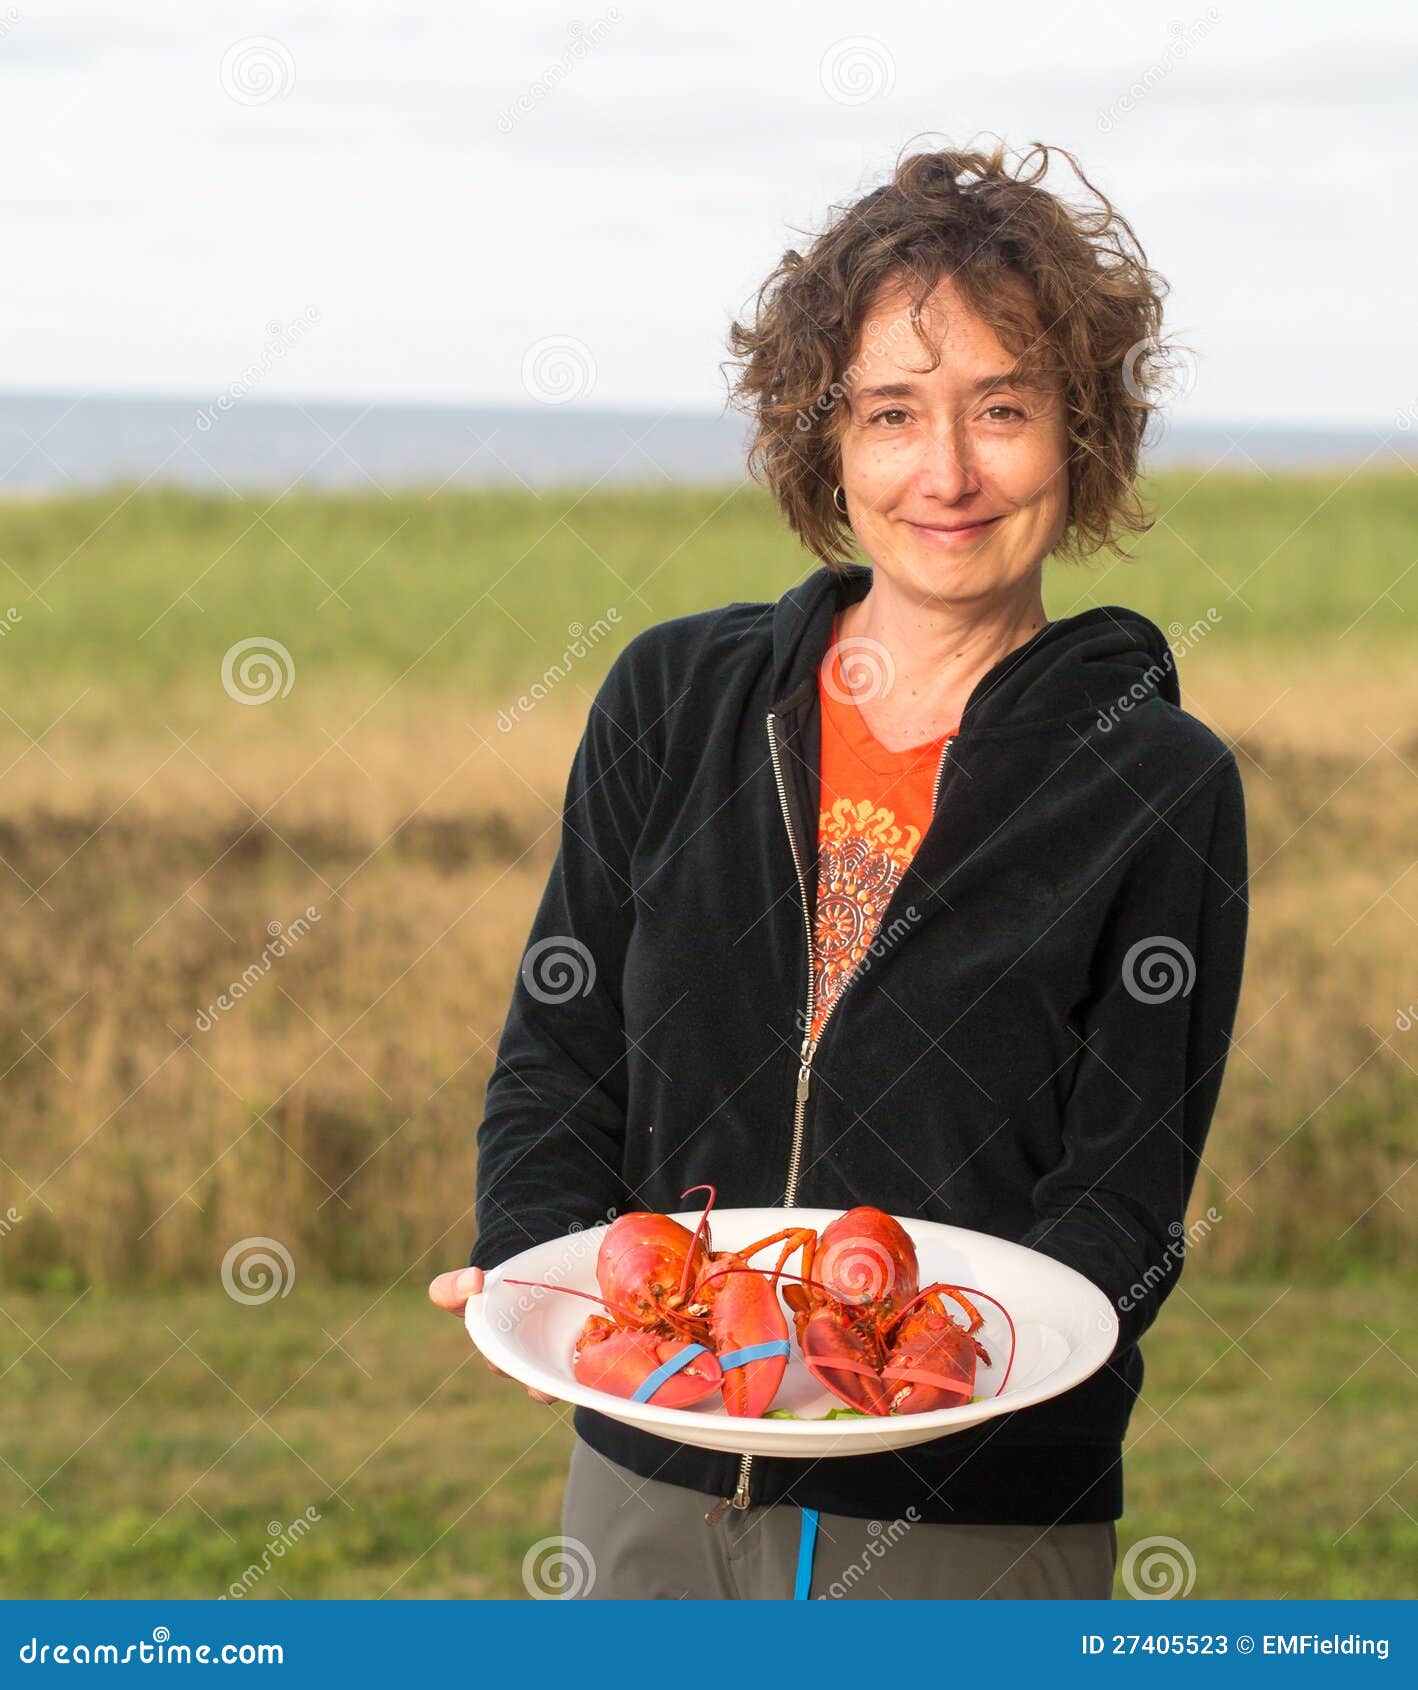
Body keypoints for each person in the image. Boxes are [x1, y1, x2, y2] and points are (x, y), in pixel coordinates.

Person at [429, 140, 1249, 1600]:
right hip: (648, 1474)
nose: (945, 471)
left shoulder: (1159, 781)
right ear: (826, 442)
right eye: (889, 414)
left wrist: (974, 1380)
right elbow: (558, 1054)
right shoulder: (675, 698)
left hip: (974, 1516)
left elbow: (1121, 1198)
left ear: (1081, 435)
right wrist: (536, 1271)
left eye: (1001, 408)